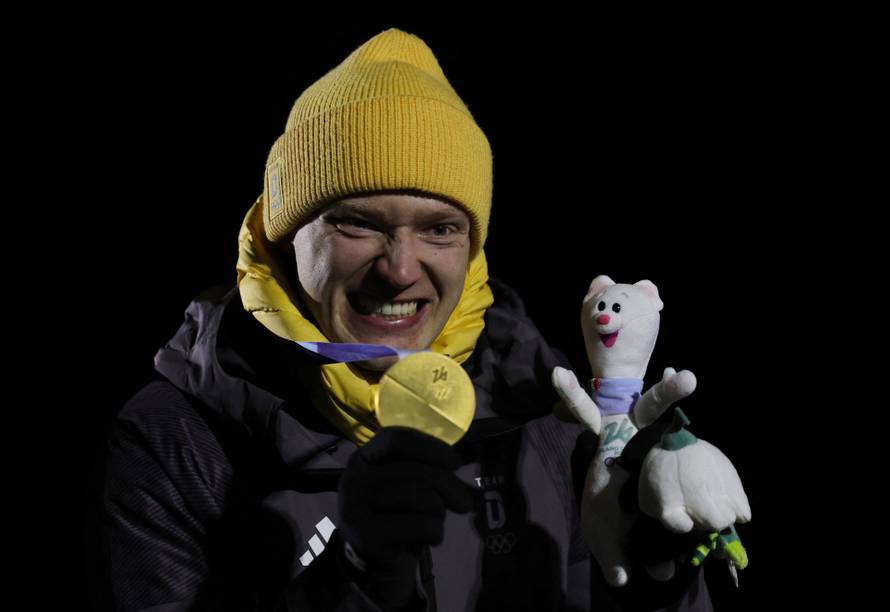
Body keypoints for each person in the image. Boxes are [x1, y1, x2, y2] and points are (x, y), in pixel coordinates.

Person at [98, 28, 715, 611]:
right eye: (357, 223)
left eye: (440, 229)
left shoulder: (543, 408)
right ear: (287, 236)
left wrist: (658, 579)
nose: (398, 270)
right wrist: (352, 580)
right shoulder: (175, 442)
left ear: (472, 248)